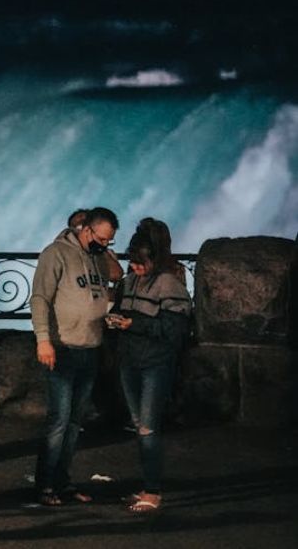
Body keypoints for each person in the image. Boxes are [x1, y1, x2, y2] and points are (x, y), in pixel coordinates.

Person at [30, 206, 119, 506]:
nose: (105, 245)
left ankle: (62, 482)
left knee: (74, 422)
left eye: (110, 241)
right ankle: (45, 484)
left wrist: (105, 319)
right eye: (102, 239)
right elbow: (40, 297)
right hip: (63, 347)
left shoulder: (98, 258)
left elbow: (105, 289)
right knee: (59, 419)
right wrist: (44, 340)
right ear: (86, 228)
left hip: (90, 347)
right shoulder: (56, 253)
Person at [108, 218, 192, 514]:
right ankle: (147, 486)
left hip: (155, 364)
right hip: (130, 362)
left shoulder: (168, 284)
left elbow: (175, 329)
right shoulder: (129, 282)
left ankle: (153, 491)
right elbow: (122, 311)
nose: (135, 268)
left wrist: (136, 324)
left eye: (140, 263)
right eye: (132, 262)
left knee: (148, 428)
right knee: (140, 426)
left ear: (154, 259)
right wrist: (116, 319)